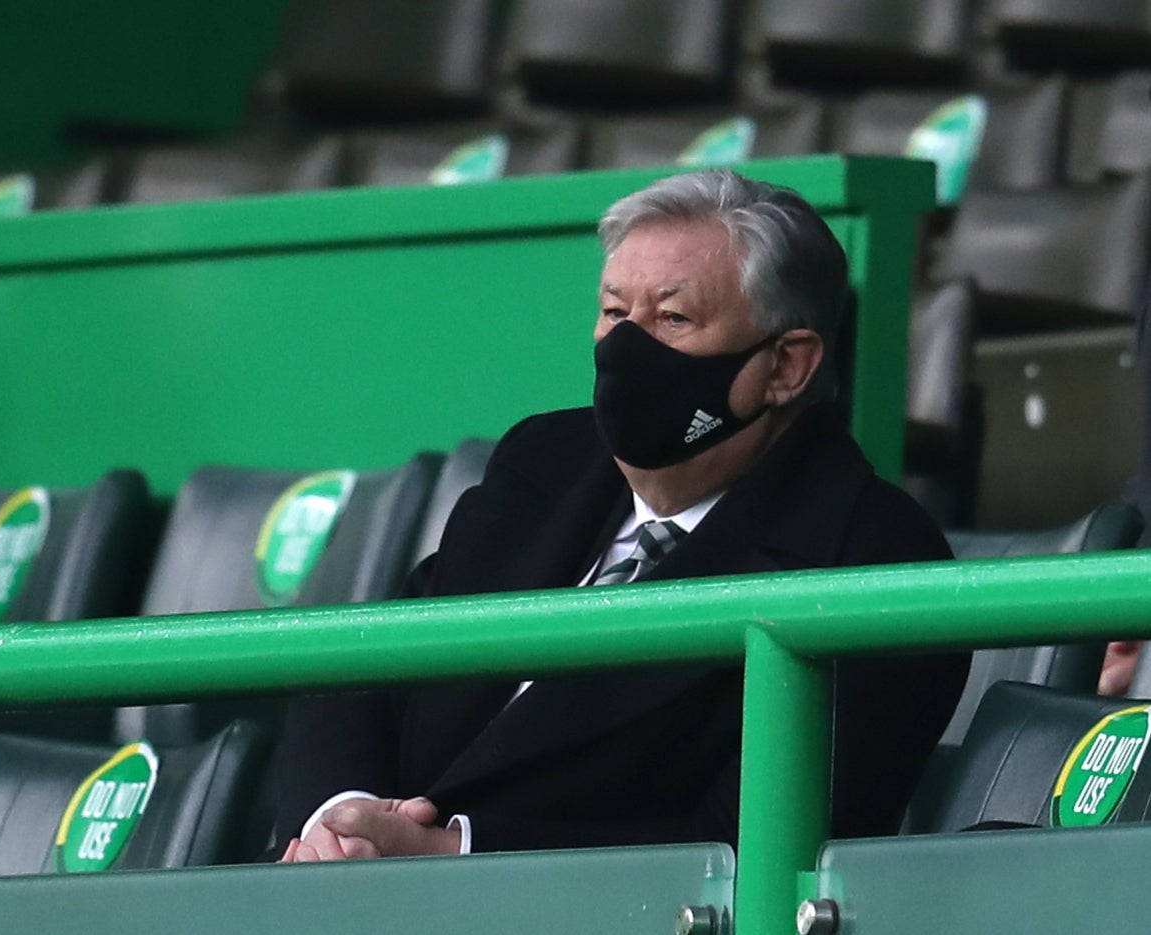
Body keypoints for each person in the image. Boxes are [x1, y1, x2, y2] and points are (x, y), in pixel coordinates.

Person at [270, 169, 970, 862]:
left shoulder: (873, 560)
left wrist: (455, 856)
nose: (628, 349)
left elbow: (748, 850)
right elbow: (364, 667)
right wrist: (340, 822)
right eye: (614, 313)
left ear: (786, 366)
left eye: (673, 318)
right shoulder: (544, 460)